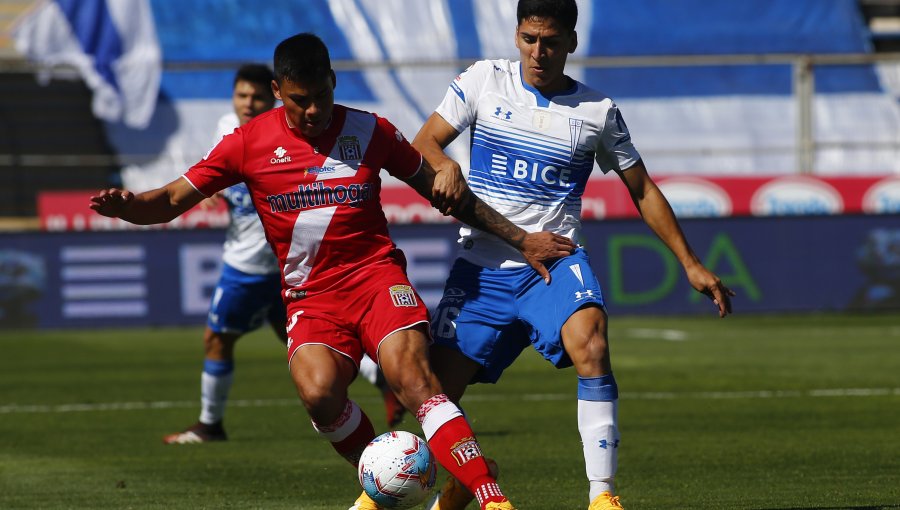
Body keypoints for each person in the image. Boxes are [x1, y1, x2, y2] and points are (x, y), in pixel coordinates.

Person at [90, 33, 574, 510]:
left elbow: (442, 192)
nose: (314, 110)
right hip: (312, 299)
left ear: (333, 82)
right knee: (318, 392)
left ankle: (492, 497)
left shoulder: (371, 131)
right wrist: (130, 206)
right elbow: (173, 199)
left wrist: (519, 237)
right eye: (301, 101)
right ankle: (395, 486)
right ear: (278, 91)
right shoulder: (246, 143)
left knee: (413, 379)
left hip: (376, 279)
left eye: (322, 96)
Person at [412, 1, 736, 509]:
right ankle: (460, 481)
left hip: (556, 262)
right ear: (516, 35)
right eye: (529, 38)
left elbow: (643, 189)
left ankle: (602, 496)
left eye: (551, 41)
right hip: (483, 266)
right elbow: (425, 142)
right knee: (434, 392)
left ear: (572, 43)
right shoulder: (482, 81)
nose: (539, 52)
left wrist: (689, 262)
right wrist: (443, 165)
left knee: (591, 343)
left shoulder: (598, 111)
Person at [162, 65, 406, 445]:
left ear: (274, 96)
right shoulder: (232, 133)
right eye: (241, 96)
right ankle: (384, 383)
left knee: (219, 338)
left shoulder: (295, 136)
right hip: (263, 267)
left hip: (273, 269)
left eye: (256, 97)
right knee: (307, 350)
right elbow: (211, 179)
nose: (248, 103)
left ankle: (210, 423)